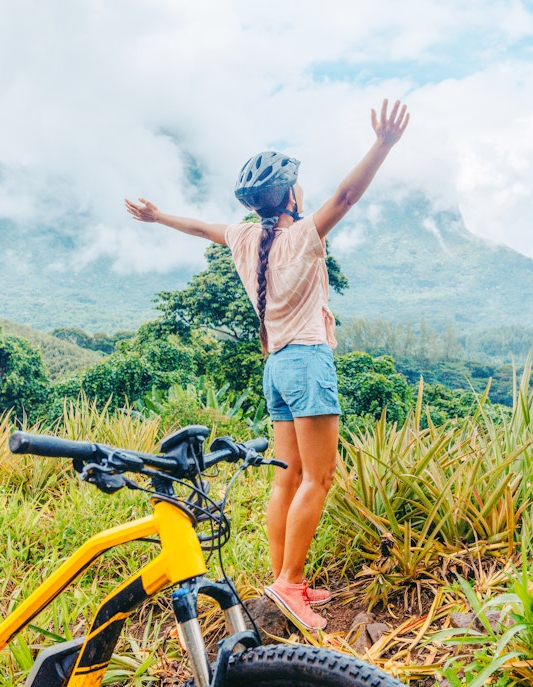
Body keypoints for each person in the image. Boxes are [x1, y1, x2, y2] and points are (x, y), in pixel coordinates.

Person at [125, 99, 409, 630]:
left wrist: (157, 215)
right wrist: (384, 144)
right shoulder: (302, 235)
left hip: (276, 366)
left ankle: (284, 578)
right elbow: (346, 196)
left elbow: (202, 228)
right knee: (318, 478)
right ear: (291, 195)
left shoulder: (243, 237)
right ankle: (288, 584)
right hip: (306, 362)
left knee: (287, 478)